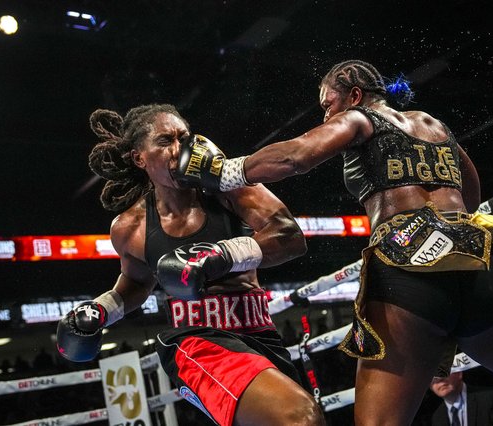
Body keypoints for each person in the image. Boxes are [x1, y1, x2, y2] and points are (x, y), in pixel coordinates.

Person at [173, 60, 493, 425]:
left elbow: (296, 156)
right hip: (475, 259)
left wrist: (223, 170)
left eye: (328, 106)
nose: (327, 117)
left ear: (355, 96)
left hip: (409, 264)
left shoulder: (360, 119)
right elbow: (471, 189)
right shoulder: (435, 126)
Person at [55, 104, 326, 426]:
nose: (178, 149)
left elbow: (290, 236)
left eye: (184, 138)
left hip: (260, 333)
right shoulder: (130, 228)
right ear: (139, 158)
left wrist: (219, 256)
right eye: (164, 140)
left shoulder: (228, 189)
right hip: (196, 340)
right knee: (298, 417)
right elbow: (137, 282)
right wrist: (101, 309)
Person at [429, 372, 493, 426]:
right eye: (431, 375)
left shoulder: (491, 398)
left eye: (443, 371)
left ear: (459, 373)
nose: (438, 379)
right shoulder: (437, 417)